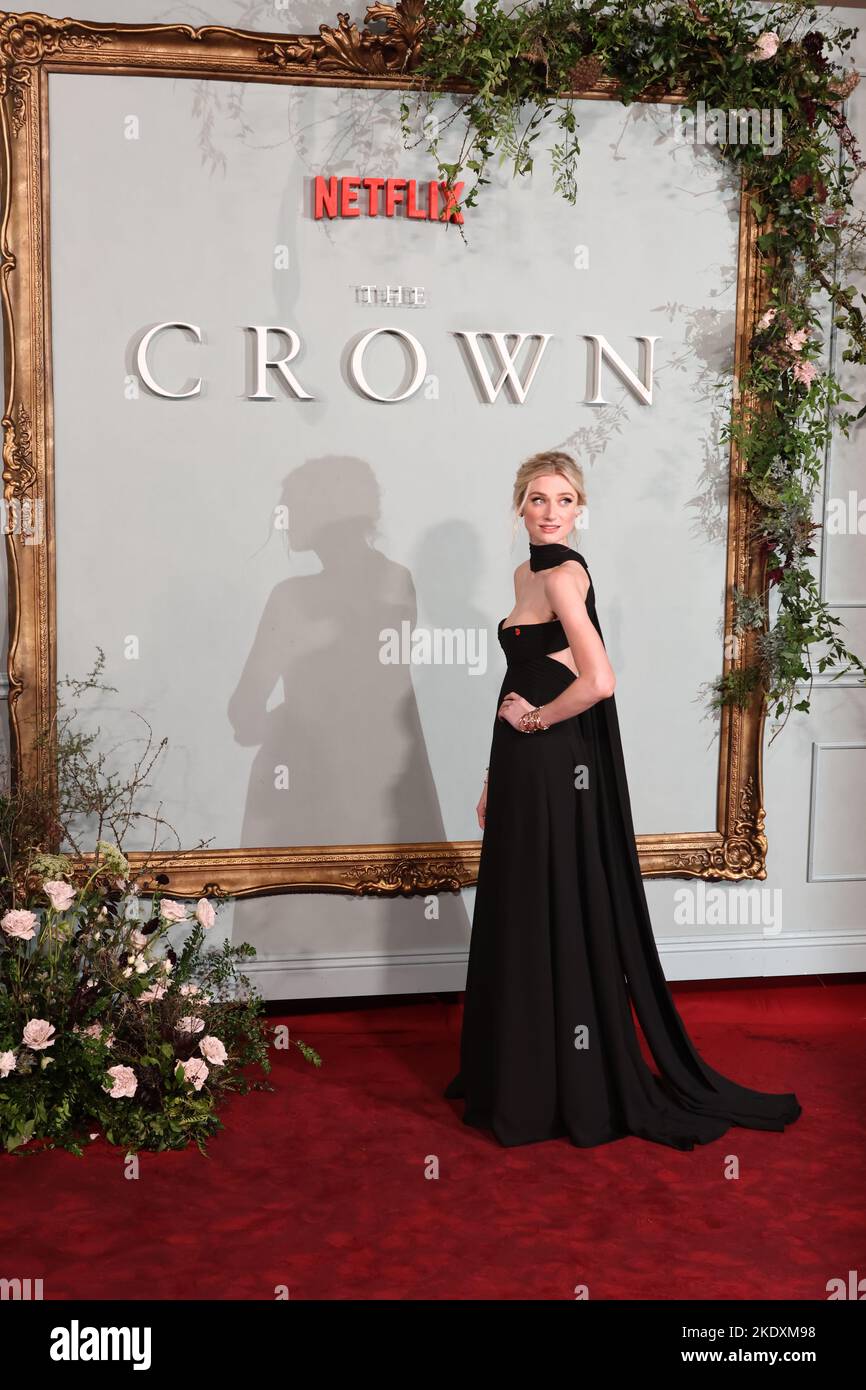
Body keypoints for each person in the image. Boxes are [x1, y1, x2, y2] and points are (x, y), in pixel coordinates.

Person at [444, 449, 802, 1150]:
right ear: (519, 505)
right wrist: (495, 772)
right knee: (524, 903)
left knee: (548, 901)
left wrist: (535, 722)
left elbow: (599, 680)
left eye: (565, 500)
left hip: (553, 766)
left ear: (582, 510)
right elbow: (529, 671)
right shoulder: (527, 571)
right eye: (539, 499)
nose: (551, 512)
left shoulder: (564, 576)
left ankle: (553, 1086)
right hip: (522, 768)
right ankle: (521, 1074)